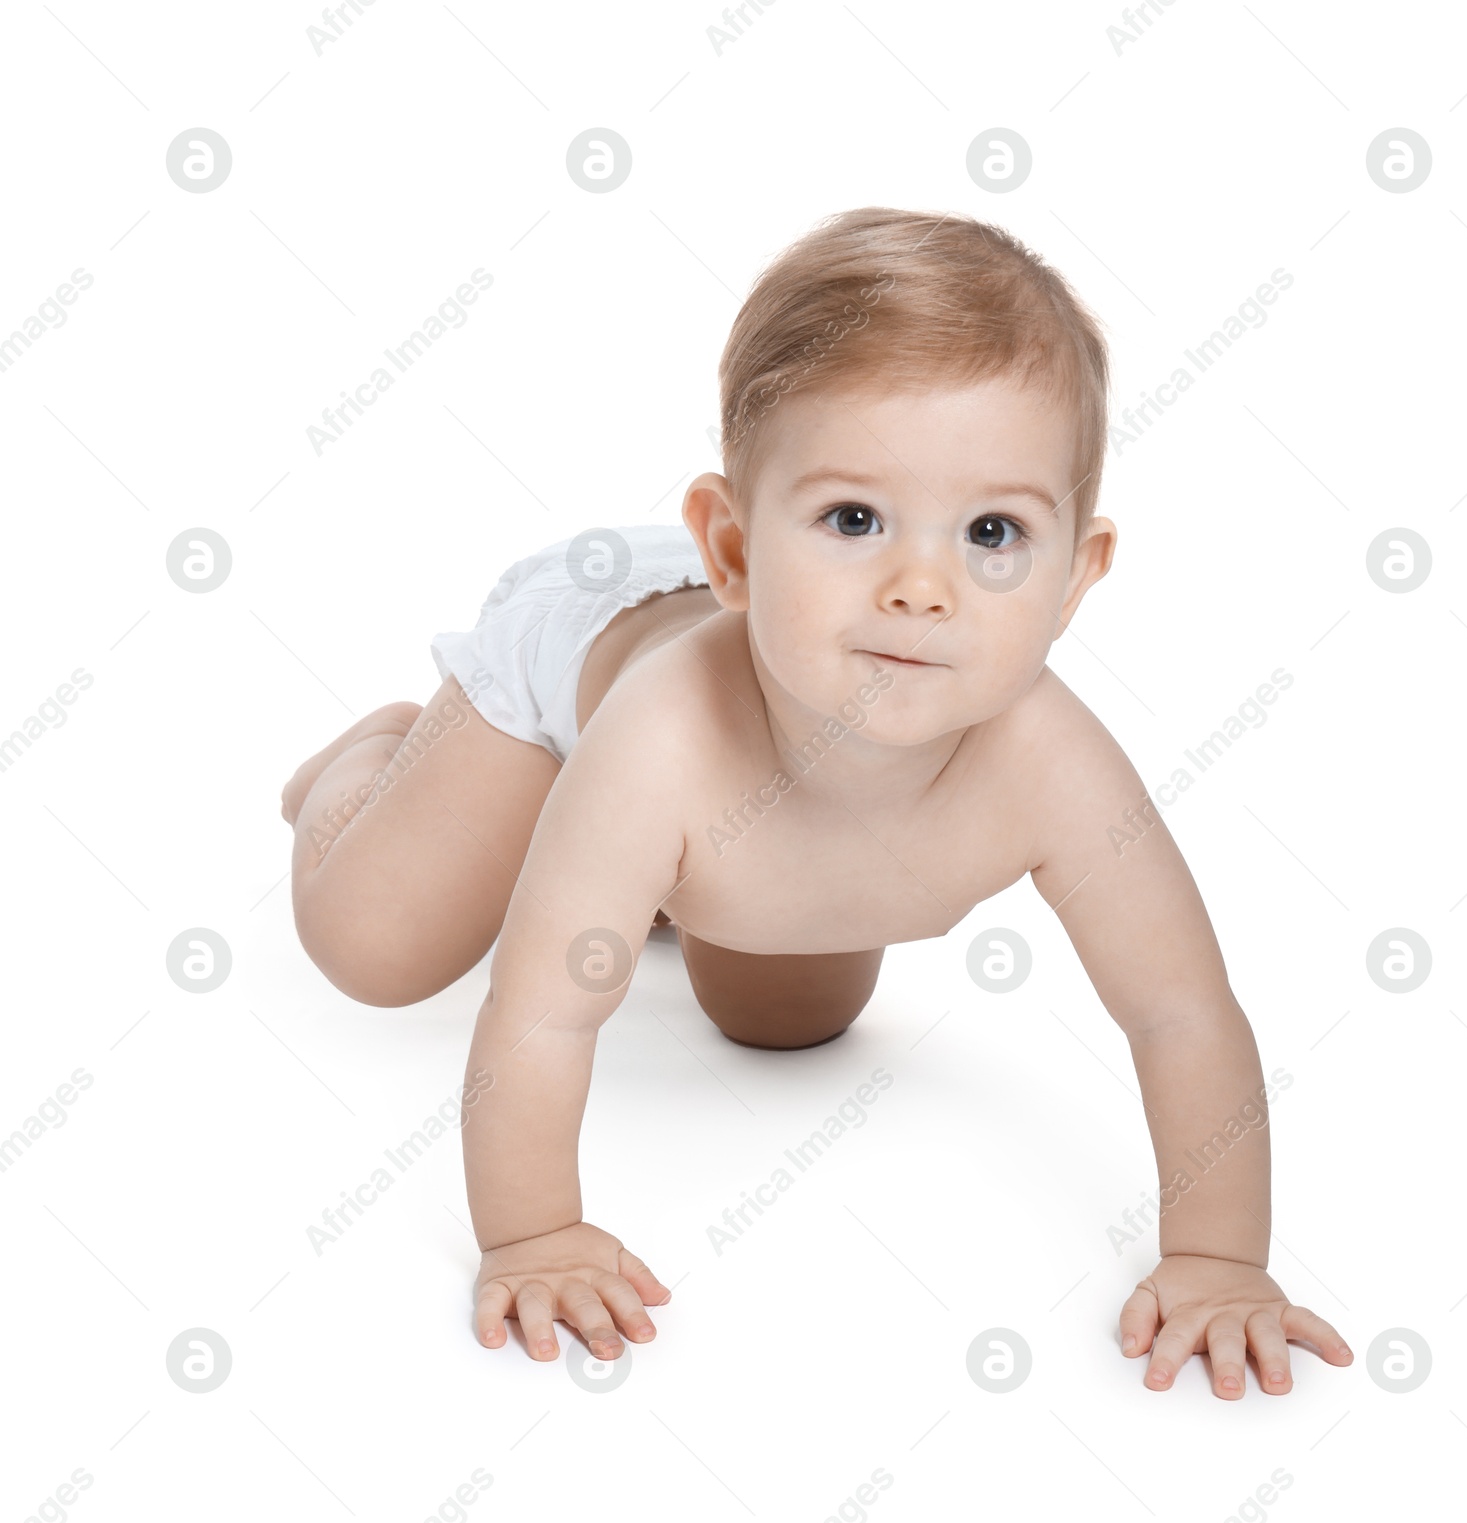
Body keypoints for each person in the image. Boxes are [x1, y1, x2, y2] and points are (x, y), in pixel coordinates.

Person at [280, 206, 1352, 1399]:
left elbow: (1181, 1010)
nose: (918, 588)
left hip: (747, 825)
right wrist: (531, 1233)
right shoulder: (659, 739)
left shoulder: (1053, 760)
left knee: (787, 1023)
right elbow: (542, 1013)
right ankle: (371, 762)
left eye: (992, 532)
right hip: (579, 666)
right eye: (854, 519)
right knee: (374, 943)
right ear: (733, 549)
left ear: (1072, 580)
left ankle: (645, 883)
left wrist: (1217, 1257)